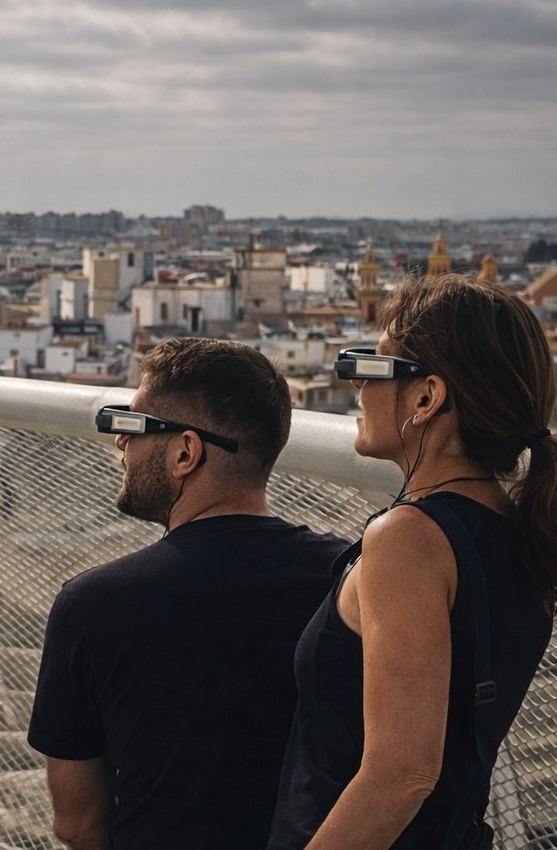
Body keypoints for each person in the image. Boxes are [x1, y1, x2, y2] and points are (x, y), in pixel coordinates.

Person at [267, 275, 557, 849]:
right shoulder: (518, 527)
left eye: (371, 368)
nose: (354, 385)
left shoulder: (410, 539)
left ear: (426, 398)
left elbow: (402, 777)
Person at [27, 337, 347, 850]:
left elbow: (76, 824)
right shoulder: (348, 578)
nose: (120, 444)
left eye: (133, 427)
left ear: (185, 452)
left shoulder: (93, 604)